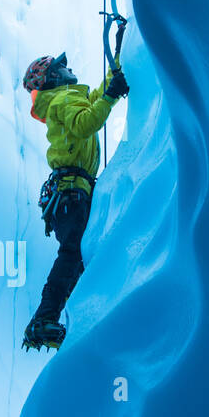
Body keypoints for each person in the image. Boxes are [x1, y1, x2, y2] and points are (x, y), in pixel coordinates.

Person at [21, 51, 129, 350]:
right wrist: (110, 95)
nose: (68, 69)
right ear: (53, 77)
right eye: (61, 67)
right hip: (72, 193)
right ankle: (45, 318)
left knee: (76, 258)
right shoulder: (63, 100)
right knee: (73, 255)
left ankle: (61, 318)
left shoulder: (65, 99)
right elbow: (86, 123)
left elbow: (94, 100)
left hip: (69, 194)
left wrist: (115, 69)